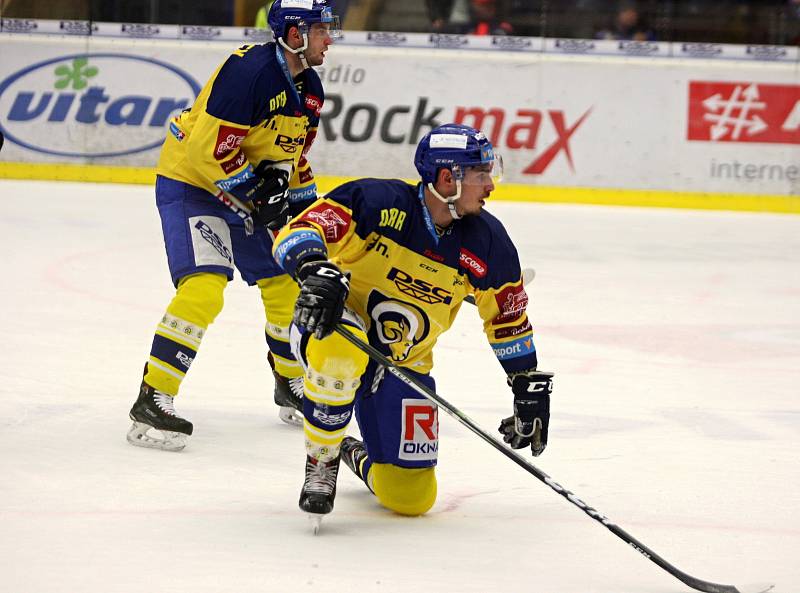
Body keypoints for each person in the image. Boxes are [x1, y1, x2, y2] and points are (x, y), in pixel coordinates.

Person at [271, 123, 553, 521]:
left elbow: (508, 319)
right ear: (446, 178)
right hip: (332, 325)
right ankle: (322, 458)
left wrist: (526, 384)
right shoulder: (374, 200)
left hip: (405, 363)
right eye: (480, 175)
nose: (491, 185)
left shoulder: (489, 242)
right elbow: (298, 230)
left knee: (411, 498)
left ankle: (355, 453)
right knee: (342, 353)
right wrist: (315, 268)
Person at [126, 0, 341, 452]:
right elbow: (208, 151)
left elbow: (291, 161)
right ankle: (153, 396)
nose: (330, 38)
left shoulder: (311, 89)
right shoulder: (247, 72)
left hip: (240, 189)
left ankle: (289, 383)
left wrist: (310, 221)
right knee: (205, 284)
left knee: (284, 281)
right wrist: (256, 192)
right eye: (322, 29)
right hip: (193, 183)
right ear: (295, 33)